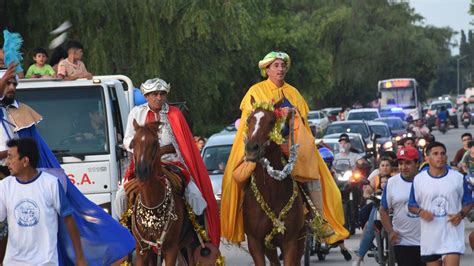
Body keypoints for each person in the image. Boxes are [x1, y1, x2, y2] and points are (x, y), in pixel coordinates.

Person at [0, 65, 135, 265]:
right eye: (7, 83)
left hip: (16, 176)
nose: (11, 87)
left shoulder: (21, 113)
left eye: (13, 83)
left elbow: (34, 152)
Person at [221, 51, 348, 245]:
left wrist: (293, 114)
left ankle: (320, 222)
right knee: (237, 177)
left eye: (283, 66)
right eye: (276, 66)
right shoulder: (255, 91)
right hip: (263, 145)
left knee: (315, 175)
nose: (280, 69)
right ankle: (238, 220)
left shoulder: (293, 92)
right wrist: (279, 112)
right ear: (267, 70)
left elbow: (302, 121)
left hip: (291, 145)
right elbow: (251, 120)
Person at [118, 77, 220, 247]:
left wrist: (161, 150)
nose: (159, 97)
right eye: (155, 94)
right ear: (146, 96)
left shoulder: (175, 114)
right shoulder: (136, 113)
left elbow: (182, 143)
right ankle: (125, 236)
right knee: (120, 197)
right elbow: (128, 139)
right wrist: (140, 146)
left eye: (162, 94)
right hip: (143, 165)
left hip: (171, 164)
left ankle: (200, 238)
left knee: (196, 196)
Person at [0, 138, 86, 265]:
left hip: (45, 262)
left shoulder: (51, 184)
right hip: (14, 262)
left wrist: (80, 258)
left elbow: (69, 220)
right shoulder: (4, 186)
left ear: (25, 161)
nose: (6, 163)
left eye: (10, 157)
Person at [408, 142, 473, 266]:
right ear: (427, 158)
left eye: (443, 154)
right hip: (430, 238)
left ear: (446, 157)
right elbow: (411, 205)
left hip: (452, 236)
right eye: (435, 154)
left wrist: (460, 214)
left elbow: (469, 202)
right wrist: (421, 212)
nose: (440, 157)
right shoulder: (419, 180)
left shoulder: (458, 178)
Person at [379, 147, 423, 266]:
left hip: (427, 241)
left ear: (417, 163)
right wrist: (390, 231)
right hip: (403, 242)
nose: (403, 167)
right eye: (401, 163)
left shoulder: (426, 181)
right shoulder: (392, 182)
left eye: (408, 163)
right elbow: (383, 209)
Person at [353, 156, 393, 266]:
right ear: (379, 167)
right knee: (369, 230)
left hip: (393, 209)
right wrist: (370, 196)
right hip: (378, 207)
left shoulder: (396, 178)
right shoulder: (374, 179)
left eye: (387, 165)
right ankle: (359, 258)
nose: (385, 168)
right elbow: (366, 192)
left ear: (391, 167)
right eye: (382, 165)